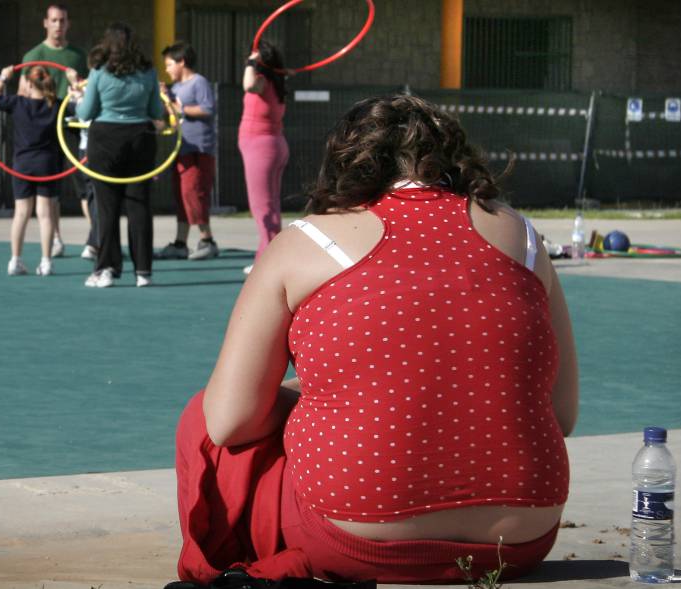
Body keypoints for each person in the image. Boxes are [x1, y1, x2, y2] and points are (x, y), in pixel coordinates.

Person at [174, 94, 579, 584]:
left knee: (202, 415)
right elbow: (560, 413)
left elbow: (229, 421)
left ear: (345, 163)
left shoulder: (307, 241)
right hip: (519, 540)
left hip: (358, 540)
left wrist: (308, 396)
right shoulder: (523, 236)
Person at [76, 22, 166, 288]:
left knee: (107, 208)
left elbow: (86, 113)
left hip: (105, 140)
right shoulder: (148, 72)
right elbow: (156, 111)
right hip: (140, 139)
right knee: (139, 205)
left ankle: (106, 269)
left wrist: (80, 98)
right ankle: (143, 271)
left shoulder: (99, 72)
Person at [0, 64, 81, 276]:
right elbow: (84, 109)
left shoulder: (18, 103)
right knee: (45, 214)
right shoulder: (57, 104)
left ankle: (15, 260)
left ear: (28, 83)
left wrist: (3, 77)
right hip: (48, 165)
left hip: (23, 165)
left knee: (21, 213)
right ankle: (46, 262)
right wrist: (75, 83)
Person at [21, 3, 93, 260]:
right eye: (54, 20)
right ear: (45, 23)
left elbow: (87, 90)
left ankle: (94, 240)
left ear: (68, 23)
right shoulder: (33, 55)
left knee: (86, 185)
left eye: (62, 20)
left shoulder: (77, 55)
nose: (58, 25)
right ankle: (55, 239)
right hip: (46, 130)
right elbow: (22, 94)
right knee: (49, 190)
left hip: (73, 126)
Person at [157, 41, 219, 261]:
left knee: (194, 194)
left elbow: (207, 109)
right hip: (181, 150)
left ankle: (207, 240)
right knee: (181, 195)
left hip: (199, 149)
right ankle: (180, 243)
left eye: (169, 64)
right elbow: (171, 116)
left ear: (182, 62)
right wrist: (165, 98)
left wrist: (178, 105)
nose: (167, 69)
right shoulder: (174, 89)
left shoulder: (198, 82)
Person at [238, 40, 289, 275]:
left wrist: (251, 62)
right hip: (274, 146)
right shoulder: (278, 82)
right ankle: (269, 257)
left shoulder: (260, 81)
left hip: (261, 149)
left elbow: (248, 84)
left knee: (262, 208)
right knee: (270, 207)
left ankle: (268, 263)